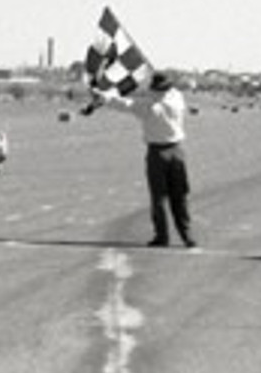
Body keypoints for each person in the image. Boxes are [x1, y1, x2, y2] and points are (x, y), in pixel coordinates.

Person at [83, 72, 197, 248]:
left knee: (158, 198)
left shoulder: (149, 107)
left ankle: (162, 236)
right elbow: (162, 92)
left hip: (157, 153)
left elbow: (123, 103)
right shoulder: (176, 98)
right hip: (177, 151)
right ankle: (187, 236)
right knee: (179, 196)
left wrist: (104, 96)